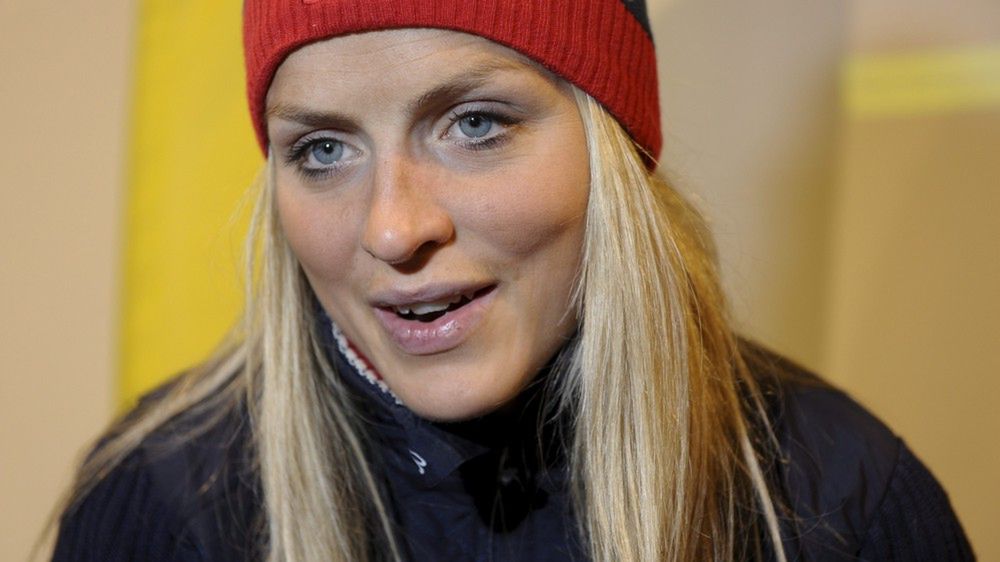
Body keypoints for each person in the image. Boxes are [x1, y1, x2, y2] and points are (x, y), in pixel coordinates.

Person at [50, 1, 974, 561]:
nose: (392, 228)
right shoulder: (162, 504)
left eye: (475, 125)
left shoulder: (839, 505)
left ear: (615, 147)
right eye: (323, 148)